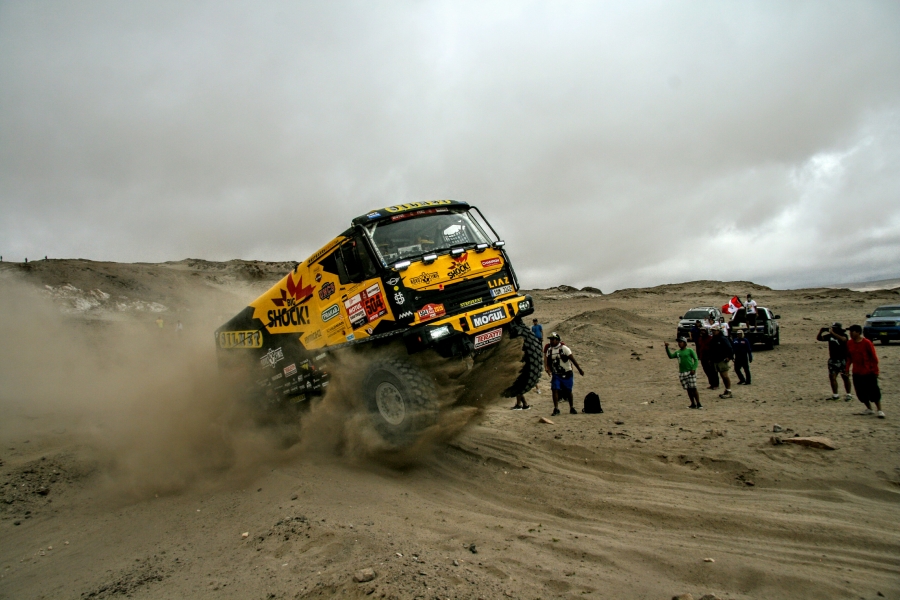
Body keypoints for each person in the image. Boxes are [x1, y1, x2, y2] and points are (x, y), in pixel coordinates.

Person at [846, 325, 884, 418]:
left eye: (852, 332)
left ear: (858, 332)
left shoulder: (867, 342)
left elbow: (874, 357)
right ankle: (869, 409)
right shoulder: (849, 343)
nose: (850, 334)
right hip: (856, 372)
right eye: (850, 332)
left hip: (868, 372)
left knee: (874, 391)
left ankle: (879, 410)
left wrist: (875, 371)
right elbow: (849, 358)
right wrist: (847, 369)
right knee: (860, 392)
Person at [545, 332, 584, 416]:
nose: (551, 341)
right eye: (550, 339)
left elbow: (572, 359)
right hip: (556, 374)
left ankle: (571, 407)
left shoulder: (564, 349)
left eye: (552, 339)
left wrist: (579, 369)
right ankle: (556, 408)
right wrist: (548, 369)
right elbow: (548, 362)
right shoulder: (549, 350)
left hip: (567, 373)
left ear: (557, 340)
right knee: (554, 389)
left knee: (568, 390)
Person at [816, 323, 852, 400]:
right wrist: (821, 332)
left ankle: (848, 394)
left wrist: (832, 333)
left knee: (845, 377)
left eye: (835, 328)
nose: (833, 329)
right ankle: (835, 394)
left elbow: (843, 340)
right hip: (833, 359)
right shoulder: (830, 336)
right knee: (832, 377)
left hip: (842, 359)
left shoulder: (844, 335)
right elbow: (819, 338)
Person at [665, 337, 702, 409]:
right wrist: (667, 348)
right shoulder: (678, 352)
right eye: (679, 342)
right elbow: (671, 356)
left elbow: (696, 360)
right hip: (682, 372)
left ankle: (698, 403)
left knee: (693, 388)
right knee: (688, 389)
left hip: (690, 371)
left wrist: (693, 368)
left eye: (681, 342)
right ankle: (693, 403)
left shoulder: (690, 350)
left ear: (685, 343)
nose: (679, 344)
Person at [708, 327, 735, 398]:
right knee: (722, 376)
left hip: (722, 360)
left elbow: (730, 348)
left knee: (725, 376)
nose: (713, 332)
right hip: (715, 360)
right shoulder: (713, 339)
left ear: (718, 331)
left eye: (714, 330)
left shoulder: (723, 338)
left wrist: (729, 357)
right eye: (712, 330)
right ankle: (727, 390)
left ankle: (729, 391)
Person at [531, 318, 544, 394]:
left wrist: (542, 337)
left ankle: (538, 388)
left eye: (535, 321)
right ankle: (537, 388)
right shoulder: (533, 327)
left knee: (540, 346)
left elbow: (541, 331)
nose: (535, 322)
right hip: (535, 338)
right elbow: (532, 333)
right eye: (534, 321)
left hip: (539, 337)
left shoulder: (539, 326)